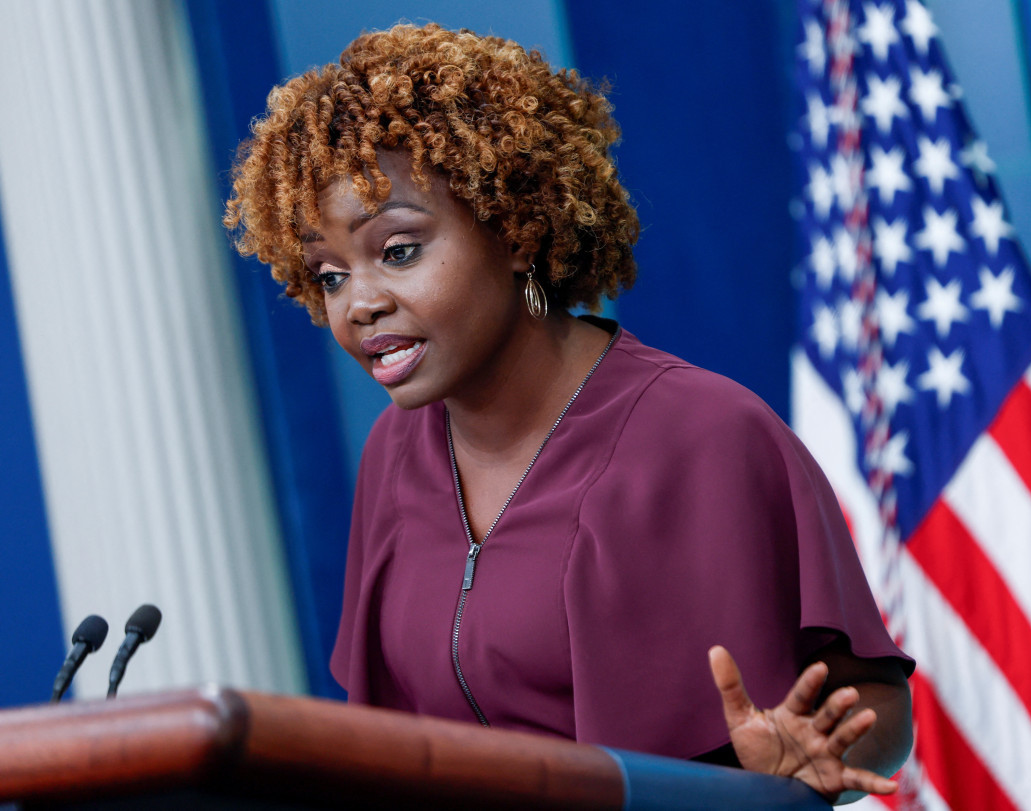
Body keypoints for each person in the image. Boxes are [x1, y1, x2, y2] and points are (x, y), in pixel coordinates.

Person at [224, 23, 913, 803]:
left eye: (400, 249)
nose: (361, 303)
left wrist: (790, 773)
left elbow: (879, 704)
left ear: (515, 230)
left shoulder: (708, 434)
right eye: (328, 275)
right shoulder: (394, 453)